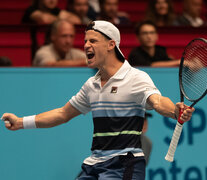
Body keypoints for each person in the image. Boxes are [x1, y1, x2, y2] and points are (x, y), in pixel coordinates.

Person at [2, 20, 194, 179]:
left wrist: (175, 111)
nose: (86, 46)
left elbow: (157, 102)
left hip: (124, 164)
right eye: (85, 41)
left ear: (111, 44)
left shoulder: (136, 77)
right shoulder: (91, 85)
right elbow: (62, 114)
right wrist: (20, 122)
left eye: (93, 41)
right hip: (95, 164)